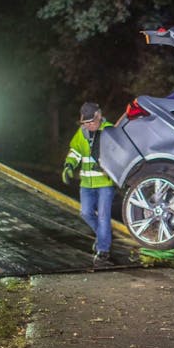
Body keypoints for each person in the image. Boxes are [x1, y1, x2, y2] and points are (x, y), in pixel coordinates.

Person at [63, 102, 115, 266]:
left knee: (104, 216)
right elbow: (75, 151)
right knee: (85, 213)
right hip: (86, 183)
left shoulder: (110, 130)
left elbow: (117, 154)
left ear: (99, 115)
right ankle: (103, 235)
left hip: (105, 182)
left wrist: (106, 166)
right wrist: (69, 165)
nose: (88, 125)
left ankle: (103, 251)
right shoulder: (82, 132)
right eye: (85, 122)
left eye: (91, 122)